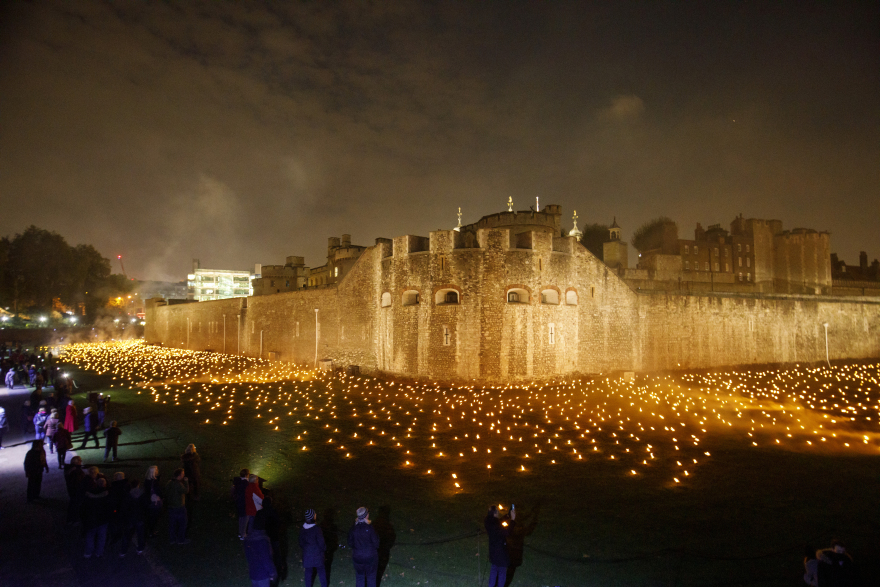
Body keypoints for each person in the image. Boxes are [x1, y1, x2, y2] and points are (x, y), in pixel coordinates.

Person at [485, 504, 516, 587]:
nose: (499, 512)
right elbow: (507, 533)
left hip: (493, 551)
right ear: (495, 513)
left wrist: (508, 515)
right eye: (497, 511)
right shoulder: (497, 525)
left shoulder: (488, 521)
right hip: (501, 553)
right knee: (502, 572)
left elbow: (497, 522)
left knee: (494, 570)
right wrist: (512, 520)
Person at [348, 507, 380, 587]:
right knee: (371, 578)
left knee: (359, 578)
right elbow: (376, 543)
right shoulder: (370, 528)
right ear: (366, 515)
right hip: (370, 557)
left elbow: (350, 543)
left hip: (357, 557)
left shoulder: (353, 528)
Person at [243, 513, 278, 587]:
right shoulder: (262, 541)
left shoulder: (248, 540)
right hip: (263, 575)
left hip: (253, 573)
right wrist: (272, 573)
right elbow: (266, 559)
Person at [83, 477, 112, 558]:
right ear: (105, 484)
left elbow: (84, 508)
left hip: (91, 519)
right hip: (103, 520)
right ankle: (99, 552)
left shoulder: (89, 494)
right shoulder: (107, 495)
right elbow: (110, 508)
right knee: (101, 537)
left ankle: (88, 553)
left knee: (90, 536)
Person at [300, 508, 328, 587]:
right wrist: (324, 549)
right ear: (313, 517)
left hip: (307, 556)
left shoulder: (303, 530)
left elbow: (301, 543)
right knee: (322, 573)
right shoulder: (317, 529)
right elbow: (321, 543)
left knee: (308, 574)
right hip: (318, 556)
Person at [120, 479, 148, 556]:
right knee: (140, 534)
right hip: (140, 517)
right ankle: (140, 549)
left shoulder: (128, 495)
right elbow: (146, 506)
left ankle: (123, 551)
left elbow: (124, 507)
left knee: (127, 535)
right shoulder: (142, 494)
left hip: (130, 518)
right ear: (138, 485)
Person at [165, 468, 190, 545]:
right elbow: (186, 491)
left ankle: (172, 539)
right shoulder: (178, 484)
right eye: (182, 474)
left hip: (171, 507)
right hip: (179, 507)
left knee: (172, 524)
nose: (183, 475)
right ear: (179, 476)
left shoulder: (169, 483)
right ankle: (181, 540)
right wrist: (186, 482)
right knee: (183, 523)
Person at [64, 456, 85, 523]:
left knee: (73, 504)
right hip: (75, 490)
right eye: (80, 460)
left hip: (72, 489)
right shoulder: (75, 471)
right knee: (75, 505)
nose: (81, 461)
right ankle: (73, 520)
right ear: (76, 462)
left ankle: (71, 519)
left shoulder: (70, 469)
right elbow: (77, 481)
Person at [143, 466, 163, 537]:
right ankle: (152, 531)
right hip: (154, 502)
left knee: (150, 517)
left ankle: (150, 530)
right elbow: (159, 491)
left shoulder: (146, 480)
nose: (157, 471)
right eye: (156, 470)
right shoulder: (154, 482)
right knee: (154, 517)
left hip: (149, 502)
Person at [244, 474, 264, 538]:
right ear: (255, 480)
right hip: (255, 509)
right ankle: (253, 537)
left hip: (249, 508)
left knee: (250, 523)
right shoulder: (255, 488)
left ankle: (250, 536)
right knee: (254, 523)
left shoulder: (248, 487)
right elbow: (260, 499)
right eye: (257, 479)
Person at [233, 468, 250, 539]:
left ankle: (240, 533)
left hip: (238, 502)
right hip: (244, 502)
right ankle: (243, 534)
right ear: (246, 475)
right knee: (245, 518)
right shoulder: (246, 484)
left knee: (240, 518)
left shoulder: (237, 481)